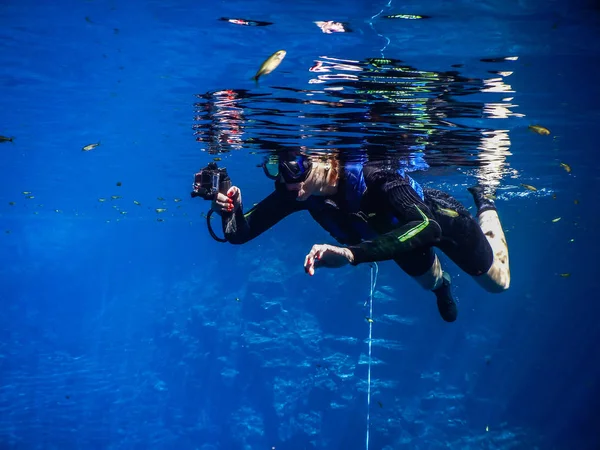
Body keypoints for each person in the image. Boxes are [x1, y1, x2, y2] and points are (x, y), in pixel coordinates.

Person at [211, 153, 510, 322]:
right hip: (397, 241)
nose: (286, 179)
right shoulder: (297, 193)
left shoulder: (375, 175)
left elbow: (428, 227)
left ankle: (485, 199)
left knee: (498, 283)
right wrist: (229, 209)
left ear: (322, 158)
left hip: (444, 220)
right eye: (278, 167)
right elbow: (240, 233)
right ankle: (442, 287)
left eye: (297, 167)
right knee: (430, 281)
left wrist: (351, 254)